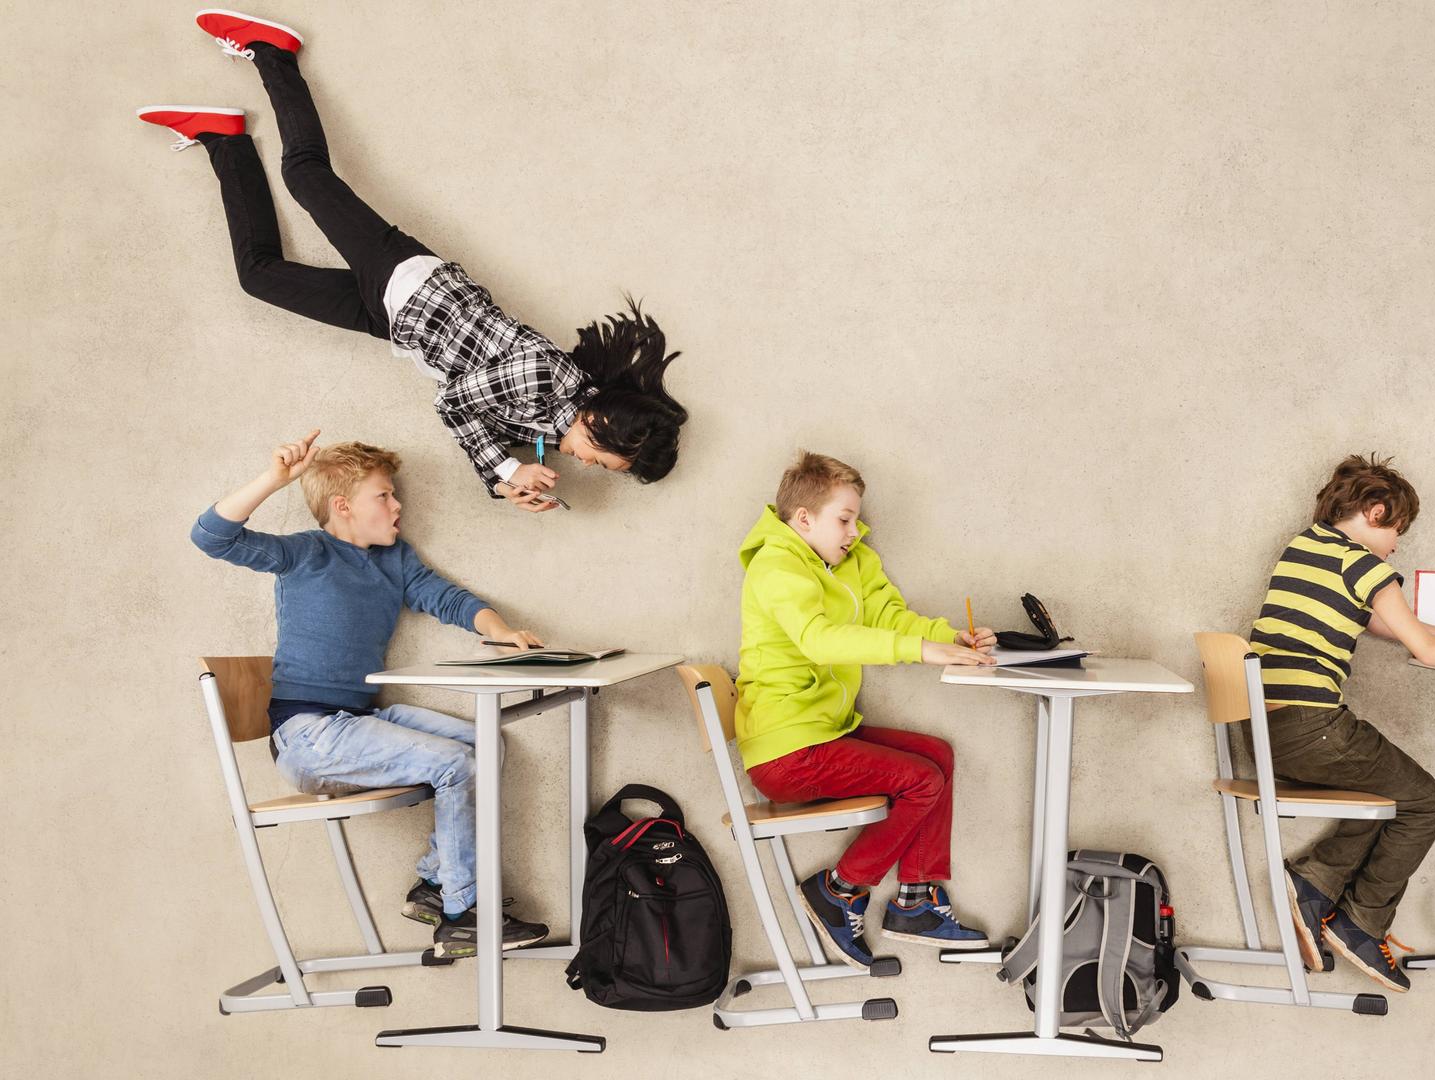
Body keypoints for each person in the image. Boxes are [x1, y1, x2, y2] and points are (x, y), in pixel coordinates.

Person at [140, 11, 685, 510]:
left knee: (258, 275)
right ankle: (273, 52)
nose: (588, 464)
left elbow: (475, 420)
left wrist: (505, 483)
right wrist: (507, 466)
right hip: (412, 287)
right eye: (603, 459)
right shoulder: (548, 378)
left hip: (399, 325)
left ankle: (224, 140)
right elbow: (454, 402)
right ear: (604, 423)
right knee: (305, 174)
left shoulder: (551, 420)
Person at [191, 429, 550, 958]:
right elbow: (212, 537)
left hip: (356, 721)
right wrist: (275, 479)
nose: (397, 504)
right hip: (309, 736)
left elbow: (445, 597)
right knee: (455, 762)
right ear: (343, 507)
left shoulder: (394, 560)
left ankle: (434, 886)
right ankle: (462, 914)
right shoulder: (304, 553)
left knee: (486, 746)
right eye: (383, 495)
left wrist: (500, 631)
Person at [1257, 454, 1435, 992]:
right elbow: (1423, 646)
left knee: (1382, 790)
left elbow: (1394, 627)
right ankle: (1361, 923)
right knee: (1427, 803)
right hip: (1314, 727)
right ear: (1376, 512)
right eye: (1398, 531)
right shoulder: (1363, 564)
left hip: (1270, 731)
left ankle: (1315, 884)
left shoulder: (1305, 548)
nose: (1397, 545)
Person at [735, 451, 998, 967]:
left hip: (824, 734)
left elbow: (889, 617)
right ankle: (842, 888)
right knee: (921, 780)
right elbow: (818, 639)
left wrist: (952, 638)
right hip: (787, 749)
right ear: (803, 518)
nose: (854, 531)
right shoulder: (776, 564)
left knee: (937, 756)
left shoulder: (852, 561)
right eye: (844, 519)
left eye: (855, 519)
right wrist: (922, 652)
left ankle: (916, 900)